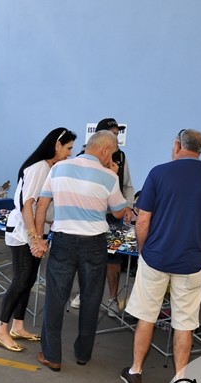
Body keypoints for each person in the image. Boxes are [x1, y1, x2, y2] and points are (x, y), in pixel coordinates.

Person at [120, 129, 201, 383]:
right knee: (185, 323)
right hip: (190, 262)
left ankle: (136, 372)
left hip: (156, 257)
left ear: (177, 145)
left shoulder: (159, 173)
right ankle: (180, 381)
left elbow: (142, 220)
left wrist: (144, 250)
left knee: (147, 316)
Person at [32, 130, 130, 371]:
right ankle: (83, 354)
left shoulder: (59, 168)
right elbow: (119, 211)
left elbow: (42, 206)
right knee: (91, 298)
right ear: (104, 150)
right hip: (94, 244)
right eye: (112, 153)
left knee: (55, 298)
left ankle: (52, 355)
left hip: (63, 241)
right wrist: (114, 174)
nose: (112, 159)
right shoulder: (108, 176)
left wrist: (39, 239)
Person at [0, 128, 76, 352]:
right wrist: (34, 239)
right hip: (23, 232)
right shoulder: (39, 168)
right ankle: (0, 329)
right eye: (68, 148)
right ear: (57, 145)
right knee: (21, 280)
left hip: (36, 232)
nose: (70, 153)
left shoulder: (49, 168)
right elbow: (27, 205)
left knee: (28, 281)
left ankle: (18, 326)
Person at [70, 118, 134, 314]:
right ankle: (83, 293)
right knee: (84, 257)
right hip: (88, 215)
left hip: (112, 216)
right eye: (112, 134)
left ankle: (112, 299)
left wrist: (128, 206)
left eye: (117, 134)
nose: (116, 138)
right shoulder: (81, 158)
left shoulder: (121, 157)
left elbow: (127, 185)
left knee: (113, 260)